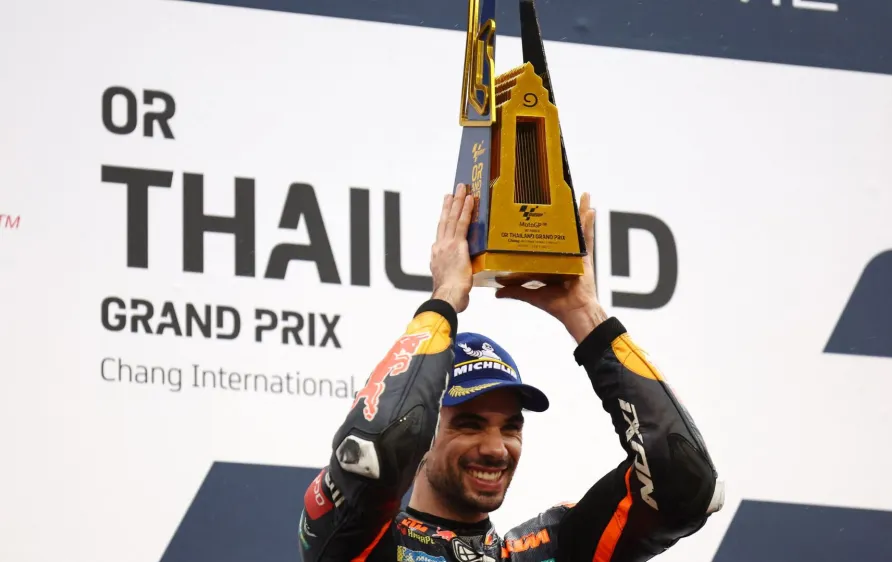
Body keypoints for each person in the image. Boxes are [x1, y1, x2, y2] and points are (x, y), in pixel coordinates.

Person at [298, 185, 724, 562]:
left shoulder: (551, 550)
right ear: (424, 432)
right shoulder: (355, 542)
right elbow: (380, 445)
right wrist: (444, 299)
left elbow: (684, 482)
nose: (496, 448)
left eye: (511, 427)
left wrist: (586, 318)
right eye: (469, 423)